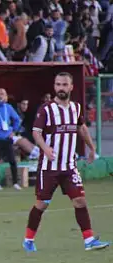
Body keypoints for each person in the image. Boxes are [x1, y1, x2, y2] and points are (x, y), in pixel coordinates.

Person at [23, 72, 109, 252]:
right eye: (58, 84)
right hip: (49, 167)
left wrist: (92, 149)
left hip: (70, 166)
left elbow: (81, 128)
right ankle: (28, 239)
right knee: (42, 204)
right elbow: (36, 132)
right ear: (54, 87)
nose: (60, 88)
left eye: (64, 84)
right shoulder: (46, 109)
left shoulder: (76, 108)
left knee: (80, 201)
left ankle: (89, 240)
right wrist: (45, 149)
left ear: (71, 87)